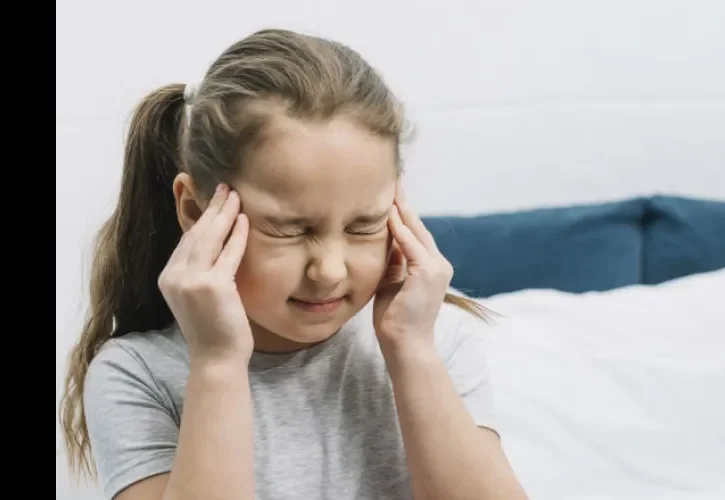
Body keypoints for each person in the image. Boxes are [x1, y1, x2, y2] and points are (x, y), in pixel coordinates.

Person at [58, 28, 528, 500]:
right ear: (198, 213)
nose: (330, 270)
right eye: (289, 228)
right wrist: (218, 364)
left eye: (364, 225)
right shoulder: (137, 373)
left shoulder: (436, 339)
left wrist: (411, 350)